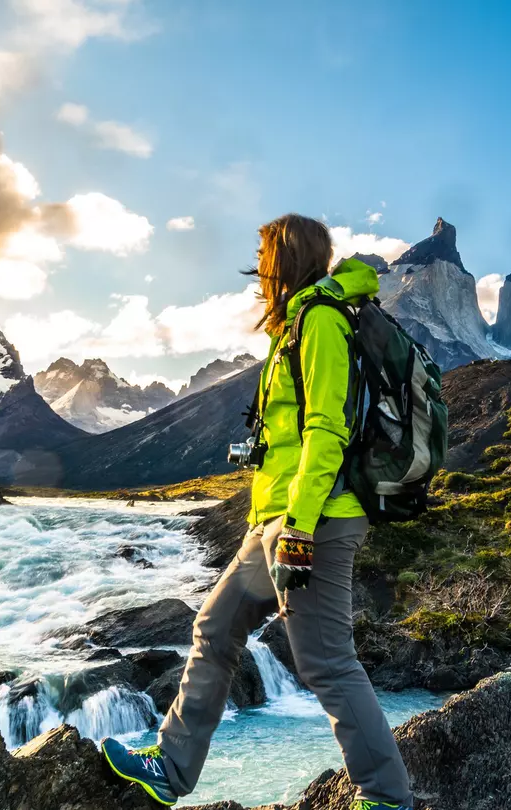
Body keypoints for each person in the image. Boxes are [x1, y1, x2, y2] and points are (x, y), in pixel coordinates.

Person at [100, 214, 413, 810]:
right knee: (216, 629)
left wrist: (297, 526)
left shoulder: (321, 322)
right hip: (273, 523)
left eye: (266, 255)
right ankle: (169, 765)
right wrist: (268, 522)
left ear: (284, 259)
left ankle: (387, 798)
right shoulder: (294, 326)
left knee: (325, 664)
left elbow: (327, 430)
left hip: (313, 521)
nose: (260, 269)